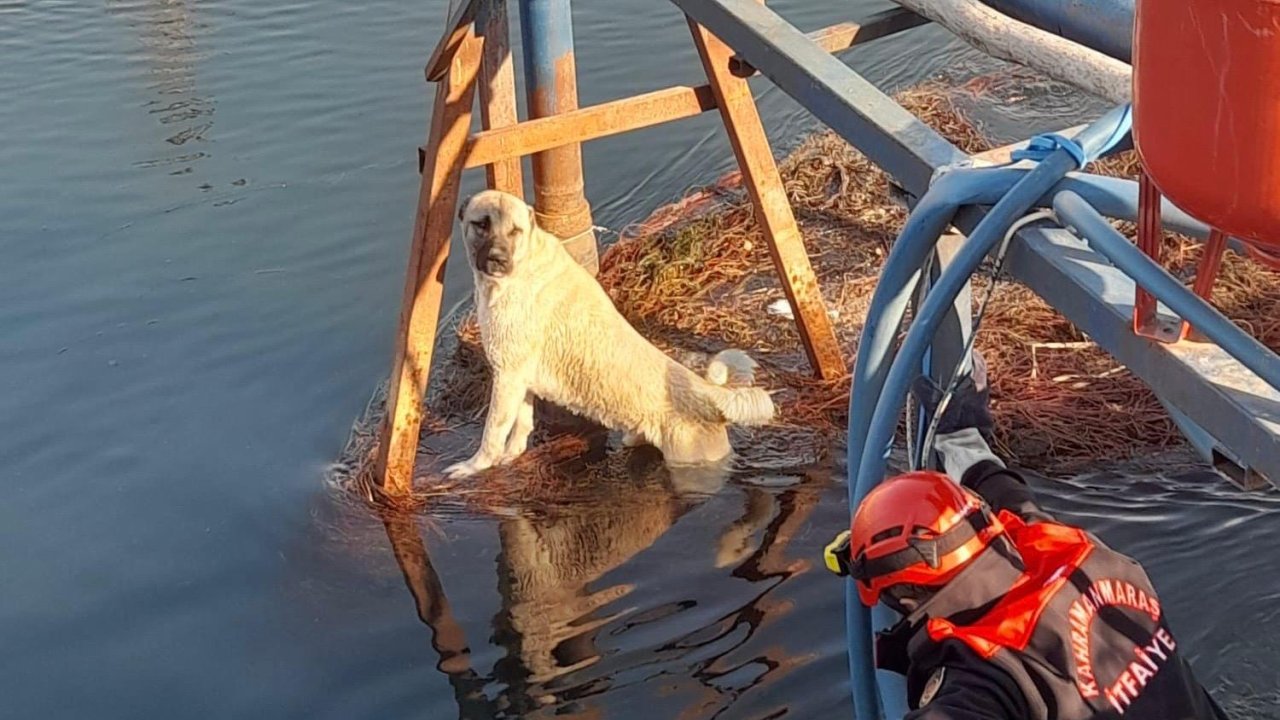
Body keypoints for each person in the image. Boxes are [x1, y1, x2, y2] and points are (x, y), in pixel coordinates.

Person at [825, 354, 1227, 719]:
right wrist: (962, 436)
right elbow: (999, 486)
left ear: (903, 595)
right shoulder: (1062, 547)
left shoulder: (987, 672)